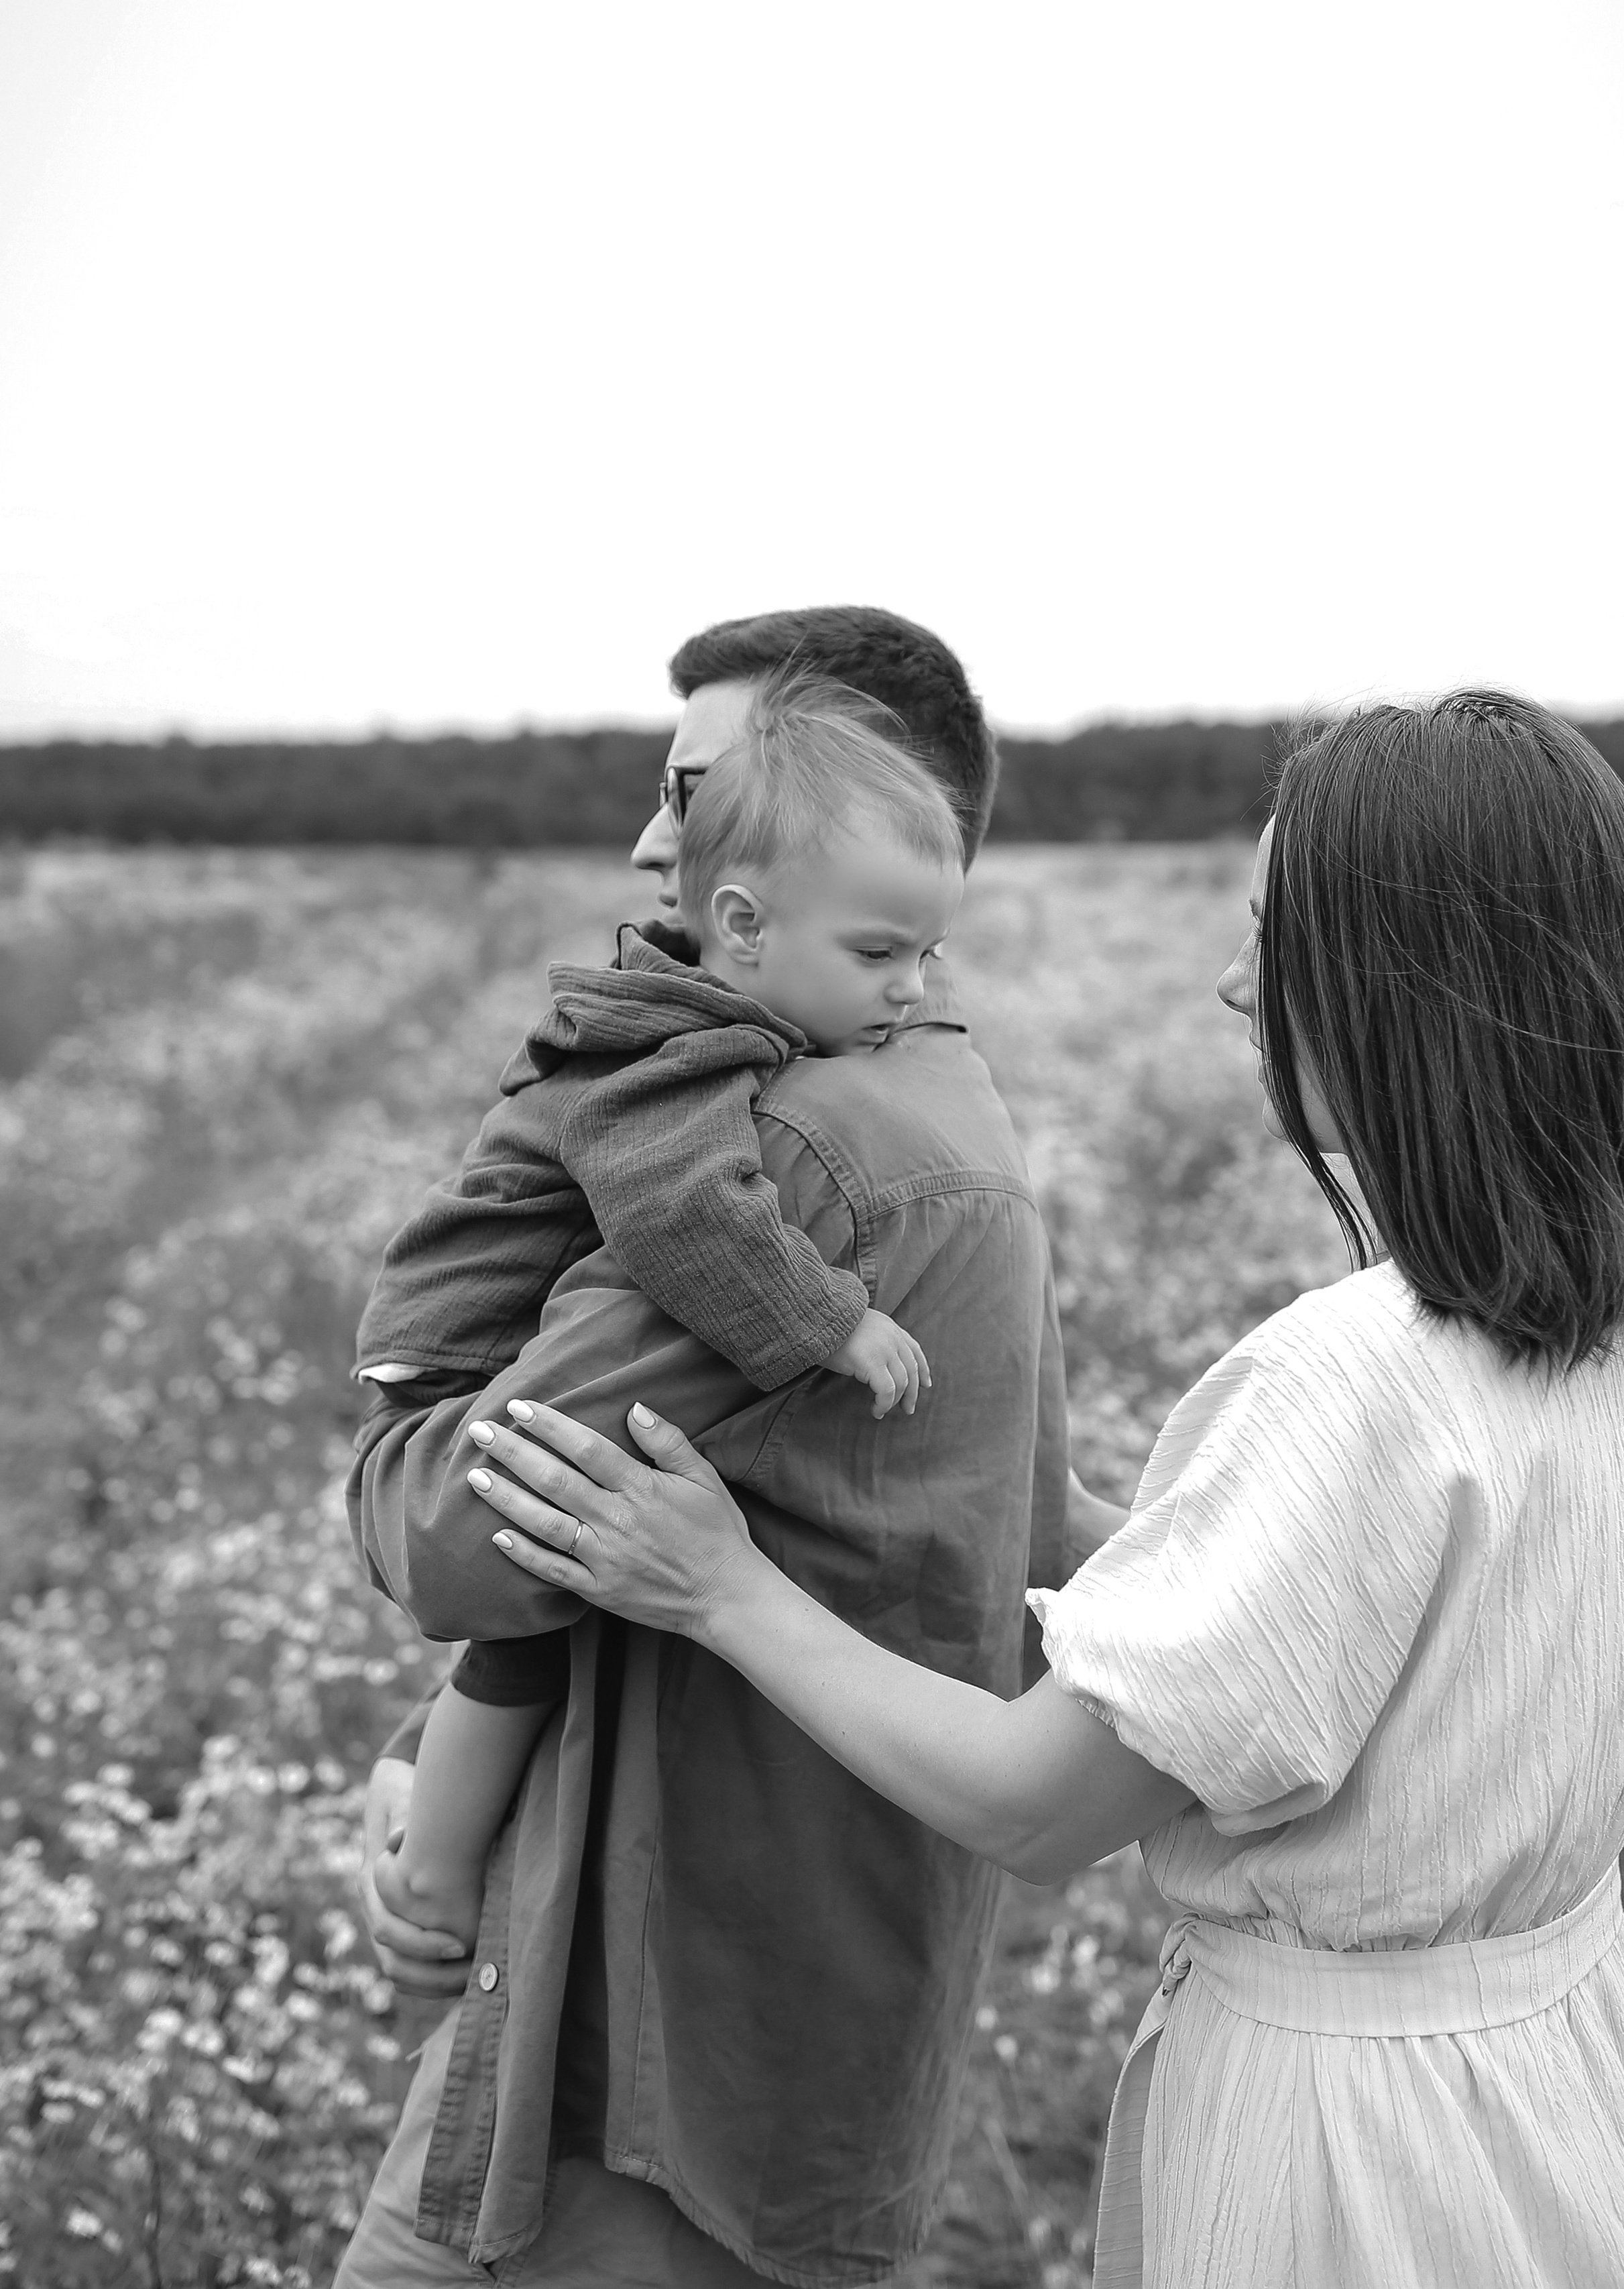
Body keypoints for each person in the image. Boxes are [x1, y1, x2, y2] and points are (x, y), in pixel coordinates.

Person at [463, 690, 1624, 2289]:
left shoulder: (1353, 1376)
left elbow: (1032, 1803)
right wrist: (1038, 1510)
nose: (1232, 984)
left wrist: (720, 1587)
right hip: (1570, 2065)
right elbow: (1387, 1659)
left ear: (1404, 986)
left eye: (1272, 936)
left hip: (1352, 2140)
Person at [339, 606, 1102, 2288]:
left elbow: (470, 1532)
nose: (648, 841)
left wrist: (388, 1448)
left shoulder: (795, 1150)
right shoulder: (937, 1098)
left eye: (692, 791)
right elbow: (989, 1516)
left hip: (643, 2050)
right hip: (757, 2018)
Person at [358, 674, 964, 1948]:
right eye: (877, 956)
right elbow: (686, 1211)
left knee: (551, 1592)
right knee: (533, 1598)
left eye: (928, 955)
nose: (912, 990)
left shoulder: (711, 1017)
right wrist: (834, 1321)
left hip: (466, 1345)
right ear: (742, 925)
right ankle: (434, 1874)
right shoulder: (683, 1046)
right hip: (451, 1355)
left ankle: (438, 1857)